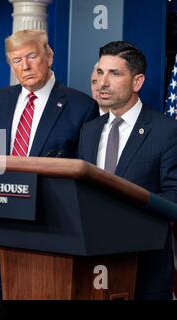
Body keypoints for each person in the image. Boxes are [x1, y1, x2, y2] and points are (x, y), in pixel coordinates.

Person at [0, 29, 99, 299]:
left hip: (50, 235)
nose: (24, 67)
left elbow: (86, 178)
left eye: (31, 56)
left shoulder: (81, 106)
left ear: (49, 55)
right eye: (16, 60)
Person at [79, 41, 177, 300]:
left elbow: (174, 199)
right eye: (100, 73)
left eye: (114, 73)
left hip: (144, 268)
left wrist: (124, 209)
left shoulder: (167, 131)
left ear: (137, 82)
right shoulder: (89, 131)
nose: (102, 82)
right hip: (91, 264)